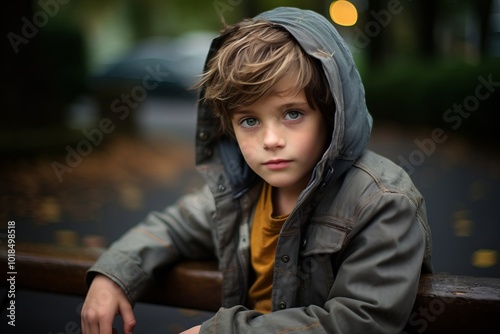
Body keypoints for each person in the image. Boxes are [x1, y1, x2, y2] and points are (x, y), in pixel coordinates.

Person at [81, 6, 432, 334]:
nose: (271, 140)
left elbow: (359, 321)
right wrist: (113, 273)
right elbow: (171, 228)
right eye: (249, 120)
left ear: (330, 113)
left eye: (293, 113)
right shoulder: (241, 191)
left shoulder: (381, 202)